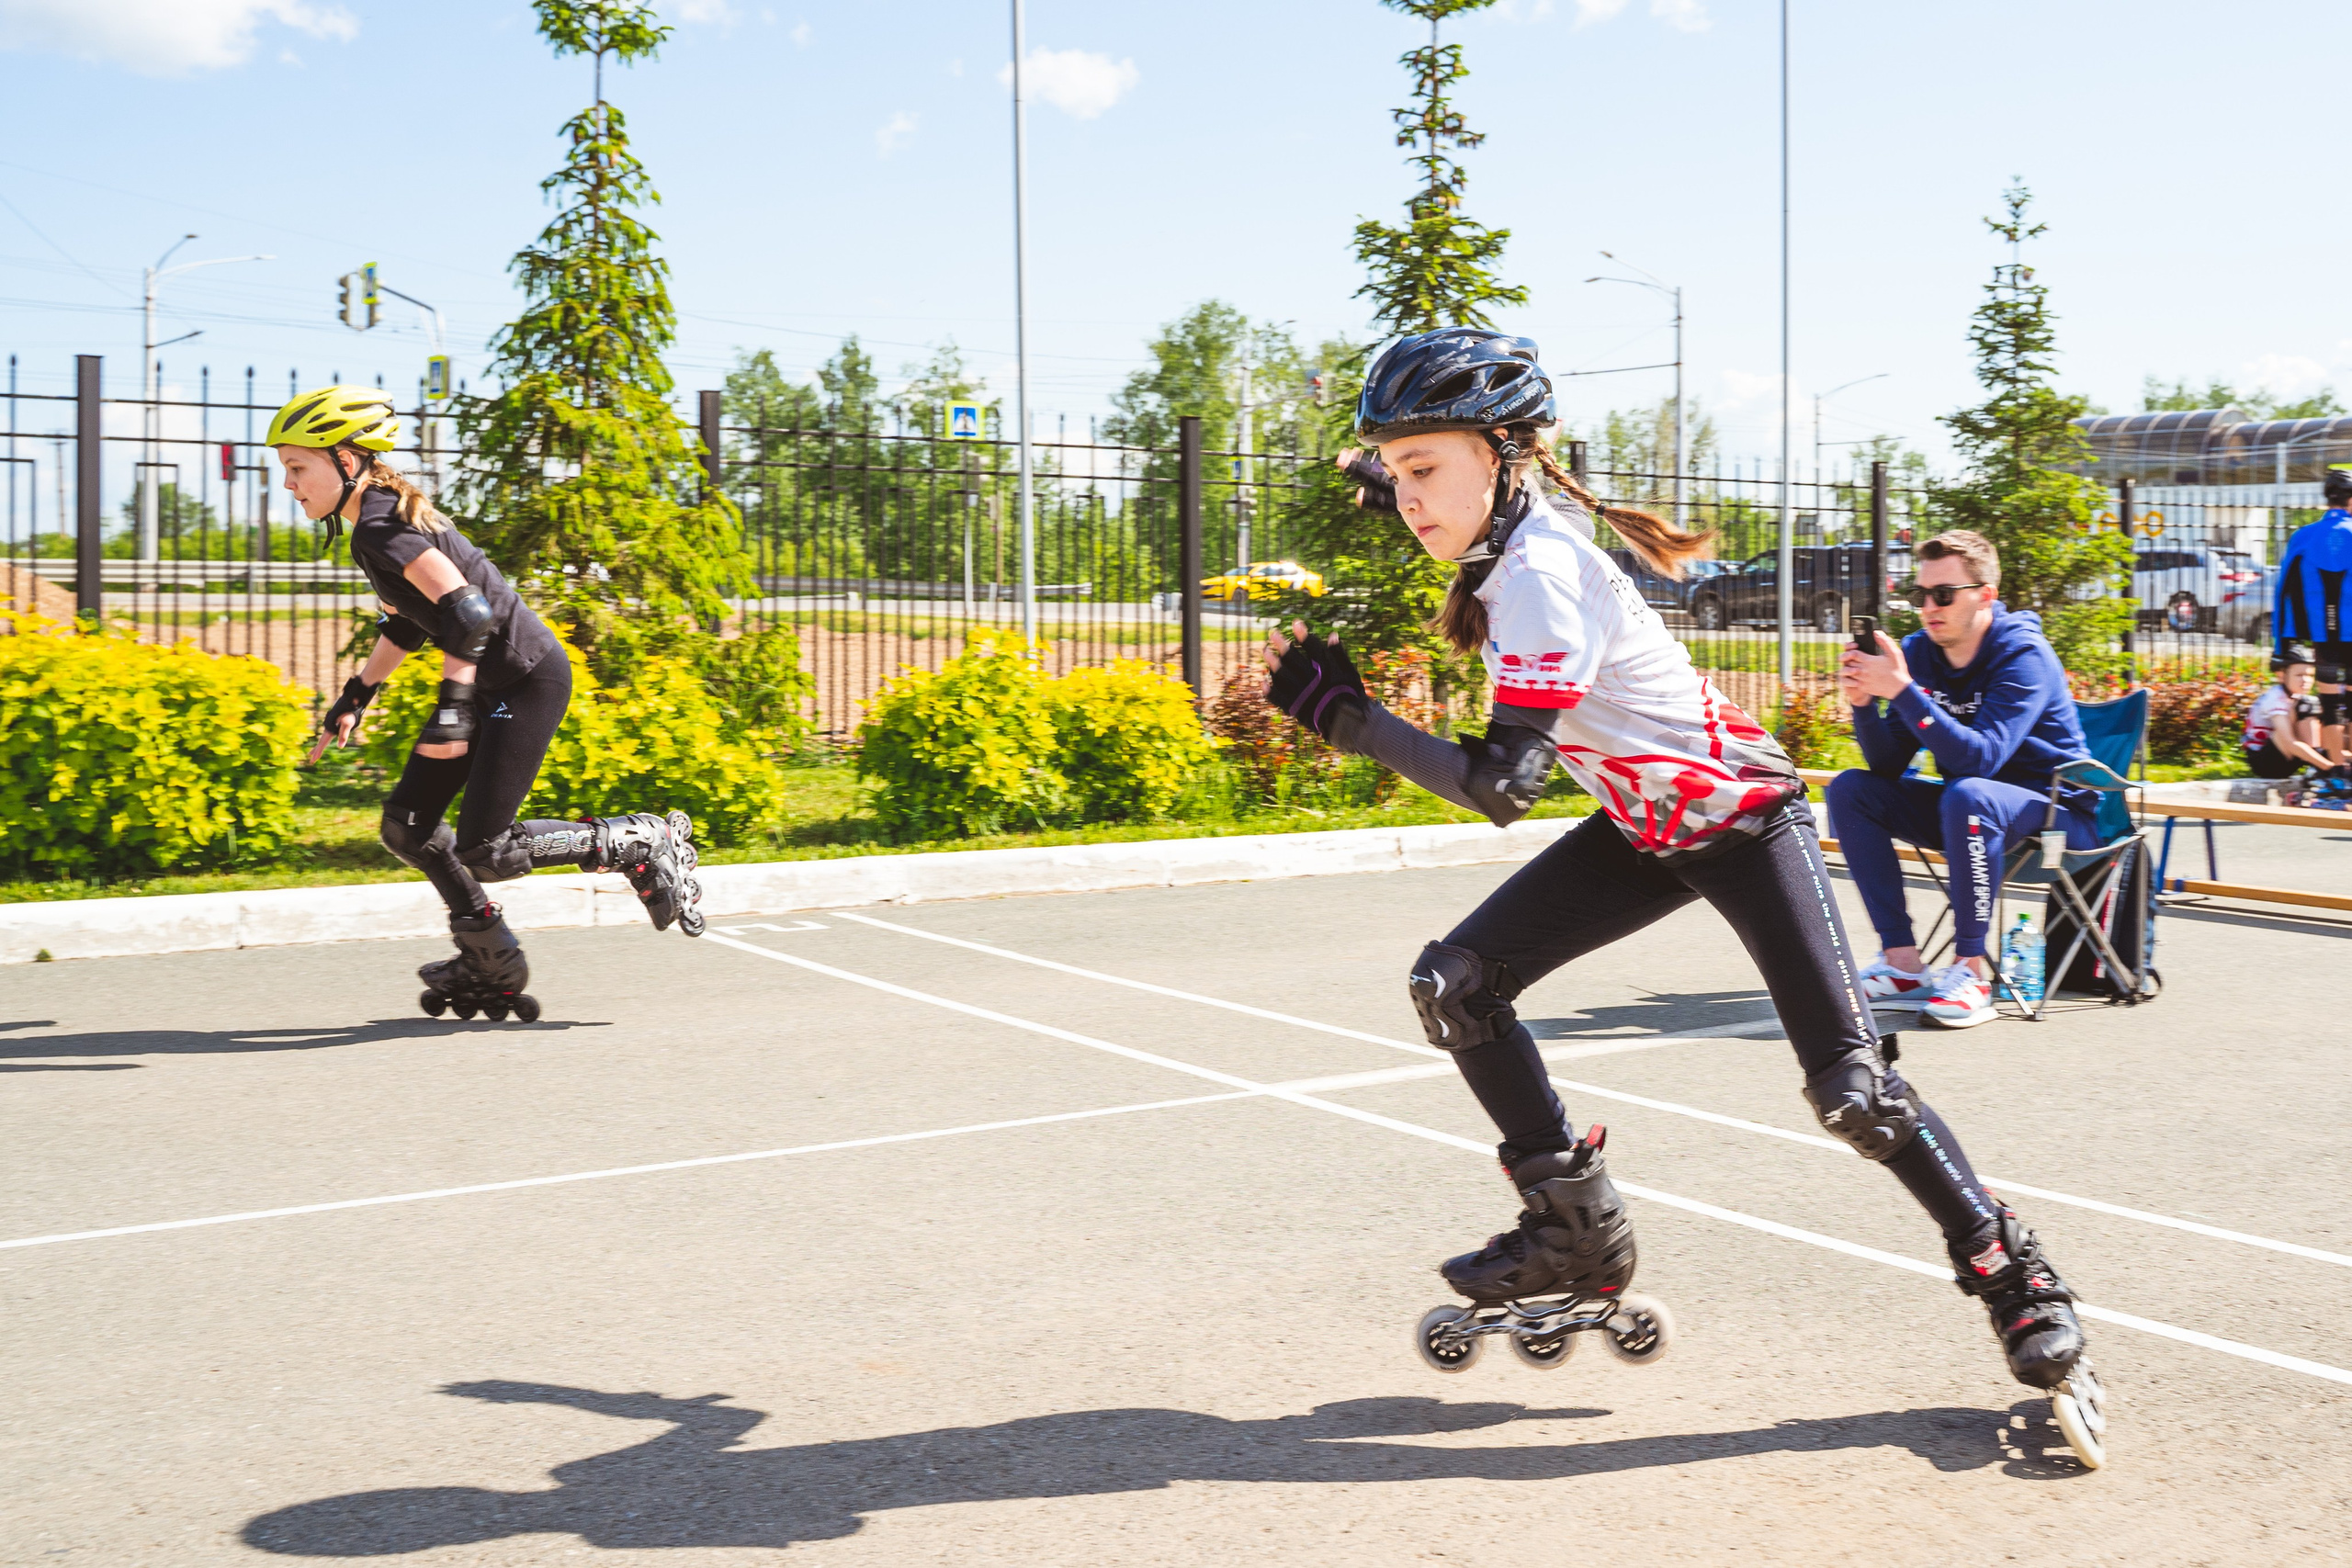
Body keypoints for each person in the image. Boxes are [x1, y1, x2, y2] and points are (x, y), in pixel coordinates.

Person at [1261, 329, 2098, 1435]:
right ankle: (1570, 1231)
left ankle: (2011, 1272)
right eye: (1399, 471)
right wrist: (1383, 480)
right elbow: (1446, 506)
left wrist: (1346, 719)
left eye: (1426, 470)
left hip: (1743, 823)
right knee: (1455, 984)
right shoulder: (1502, 524)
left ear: (1506, 455)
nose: (1411, 498)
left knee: (1853, 1094)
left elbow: (1501, 784)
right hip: (1645, 827)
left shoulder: (1543, 578)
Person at [277, 386, 706, 1016]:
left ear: (347, 460)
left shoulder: (379, 524)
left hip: (523, 679)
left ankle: (636, 841)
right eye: (285, 469)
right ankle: (488, 952)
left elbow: (469, 615)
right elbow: (410, 621)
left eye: (297, 467)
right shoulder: (375, 517)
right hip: (487, 682)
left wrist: (454, 704)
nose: (289, 484)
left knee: (488, 847)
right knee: (409, 825)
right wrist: (357, 692)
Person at [1823, 531, 2096, 1030]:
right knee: (1851, 790)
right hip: (1970, 810)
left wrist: (1903, 691)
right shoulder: (1920, 653)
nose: (1929, 607)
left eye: (1943, 595)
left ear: (1984, 596)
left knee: (1969, 794)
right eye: (1920, 595)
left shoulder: (2023, 653)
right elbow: (1886, 767)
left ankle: (1972, 971)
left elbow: (1981, 759)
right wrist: (1865, 704)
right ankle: (1903, 965)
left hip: (2059, 814)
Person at [2273, 464, 2352, 766]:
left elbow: (2282, 593)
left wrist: (2281, 645)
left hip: (2323, 637)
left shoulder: (2303, 537)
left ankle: (2337, 773)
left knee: (2331, 705)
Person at [2241, 646, 2331, 781]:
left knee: (2325, 709)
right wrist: (2328, 767)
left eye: (2310, 676)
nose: (2306, 681)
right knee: (2307, 705)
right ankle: (2317, 766)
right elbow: (2289, 742)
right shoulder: (2275, 698)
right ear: (2281, 676)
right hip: (2265, 763)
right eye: (2299, 675)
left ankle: (2320, 760)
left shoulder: (2294, 696)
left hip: (2285, 756)